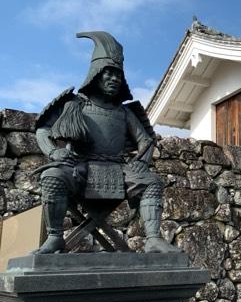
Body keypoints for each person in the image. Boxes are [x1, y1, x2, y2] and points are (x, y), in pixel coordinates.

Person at [33, 31, 180, 254]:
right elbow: (43, 130)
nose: (114, 79)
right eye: (108, 74)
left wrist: (141, 162)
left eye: (118, 75)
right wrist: (54, 153)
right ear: (96, 74)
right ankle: (55, 237)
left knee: (152, 182)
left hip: (118, 169)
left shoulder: (124, 112)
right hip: (81, 166)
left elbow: (146, 141)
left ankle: (153, 238)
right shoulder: (75, 104)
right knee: (52, 176)